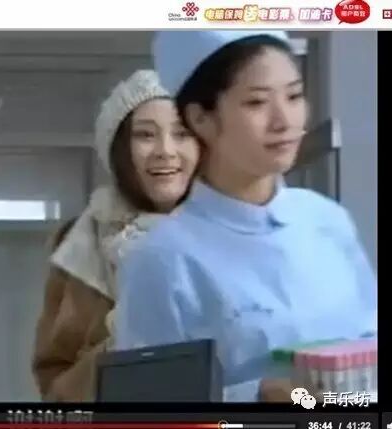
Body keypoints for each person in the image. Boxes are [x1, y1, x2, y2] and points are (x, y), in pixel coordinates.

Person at [114, 31, 377, 402]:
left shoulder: (328, 221)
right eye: (256, 102)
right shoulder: (163, 257)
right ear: (201, 118)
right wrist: (255, 395)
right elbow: (144, 404)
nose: (284, 120)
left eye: (294, 96)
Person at [32, 70, 200, 401]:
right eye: (145, 135)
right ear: (120, 149)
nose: (165, 150)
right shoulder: (79, 243)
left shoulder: (233, 231)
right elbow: (53, 384)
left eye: (182, 133)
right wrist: (120, 349)